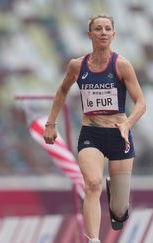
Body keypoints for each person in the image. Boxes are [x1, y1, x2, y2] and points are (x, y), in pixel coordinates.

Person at [43, 14, 146, 243]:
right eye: (98, 29)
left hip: (120, 135)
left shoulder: (122, 65)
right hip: (92, 134)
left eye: (107, 29)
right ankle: (93, 240)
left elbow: (141, 102)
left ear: (113, 35)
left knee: (119, 211)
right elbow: (62, 91)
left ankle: (115, 197)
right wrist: (51, 123)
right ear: (90, 34)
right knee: (92, 183)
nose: (103, 33)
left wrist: (127, 124)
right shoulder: (77, 65)